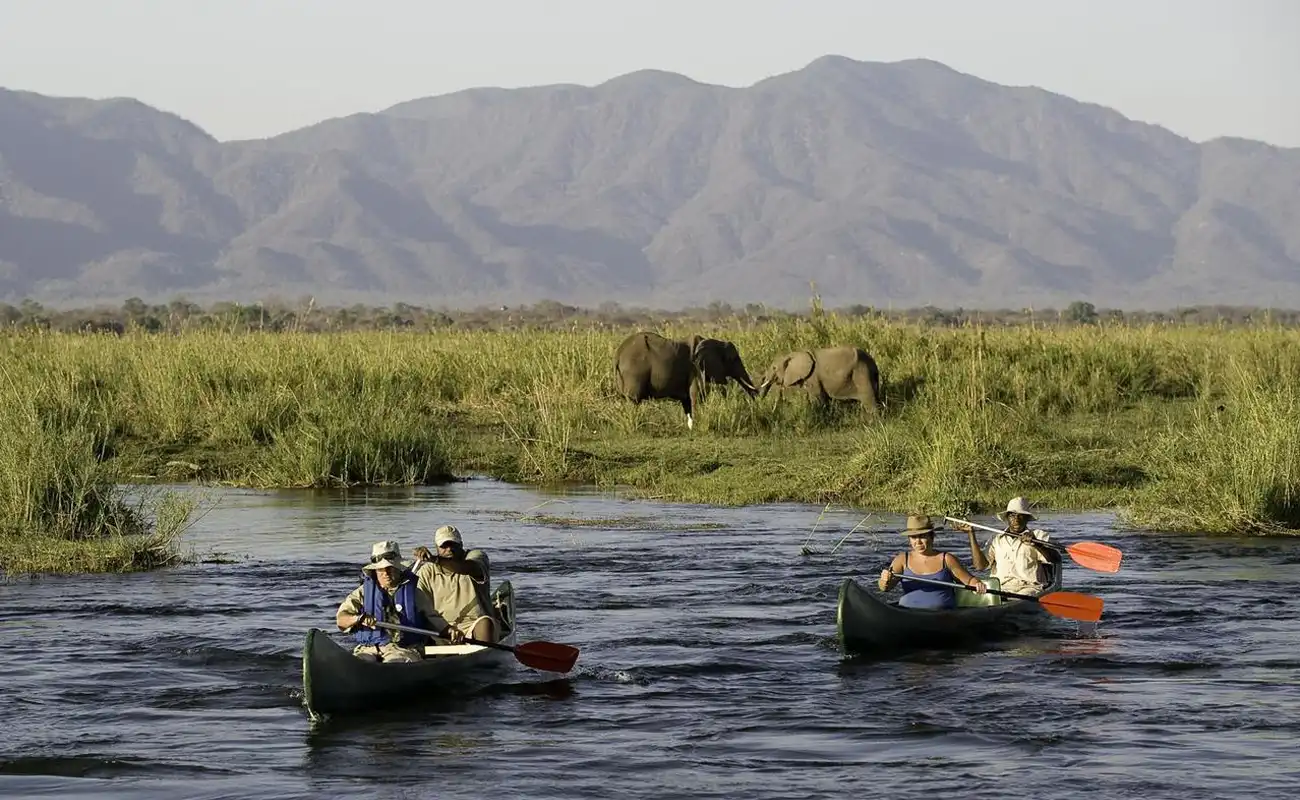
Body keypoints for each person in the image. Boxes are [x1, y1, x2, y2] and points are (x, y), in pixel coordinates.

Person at [335, 540, 464, 663]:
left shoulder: (415, 594)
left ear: (398, 568)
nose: (386, 573)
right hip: (369, 648)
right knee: (361, 660)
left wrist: (451, 631)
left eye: (390, 568)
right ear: (375, 570)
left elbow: (435, 620)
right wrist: (358, 619)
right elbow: (341, 620)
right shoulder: (361, 592)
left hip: (404, 649)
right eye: (381, 569)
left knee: (394, 661)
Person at [953, 496, 1061, 596]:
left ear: (1027, 518)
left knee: (1020, 597)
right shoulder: (996, 539)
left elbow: (1055, 559)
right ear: (1007, 517)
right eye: (1012, 515)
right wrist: (971, 534)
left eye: (1021, 515)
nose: (1016, 519)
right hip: (1000, 588)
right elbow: (980, 566)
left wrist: (1037, 544)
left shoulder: (1038, 536)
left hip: (1028, 589)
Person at [878, 514, 987, 609]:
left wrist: (977, 584)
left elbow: (968, 581)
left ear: (931, 537)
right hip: (909, 615)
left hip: (943, 617)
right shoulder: (902, 560)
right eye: (913, 537)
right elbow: (885, 588)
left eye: (922, 536)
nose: (918, 541)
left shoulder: (946, 559)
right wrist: (884, 580)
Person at [412, 525, 498, 643]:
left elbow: (471, 568)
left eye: (453, 545)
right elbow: (421, 606)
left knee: (485, 624)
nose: (449, 549)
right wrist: (446, 628)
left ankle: (485, 655)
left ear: (461, 544)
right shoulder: (427, 571)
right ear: (437, 547)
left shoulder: (476, 557)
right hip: (442, 628)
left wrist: (436, 560)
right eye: (444, 546)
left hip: (473, 625)